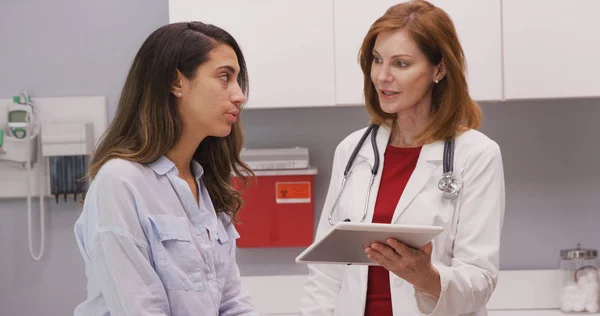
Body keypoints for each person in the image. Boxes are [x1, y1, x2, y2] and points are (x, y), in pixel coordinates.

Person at [300, 1, 506, 315]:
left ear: (439, 69)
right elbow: (326, 273)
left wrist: (426, 277)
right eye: (377, 60)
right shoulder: (352, 150)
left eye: (401, 64)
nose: (382, 76)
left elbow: (480, 279)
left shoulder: (476, 155)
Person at [73, 21, 259, 316]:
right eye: (225, 77)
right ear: (176, 83)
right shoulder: (120, 182)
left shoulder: (206, 184)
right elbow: (140, 309)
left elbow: (232, 302)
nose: (239, 95)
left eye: (238, 80)